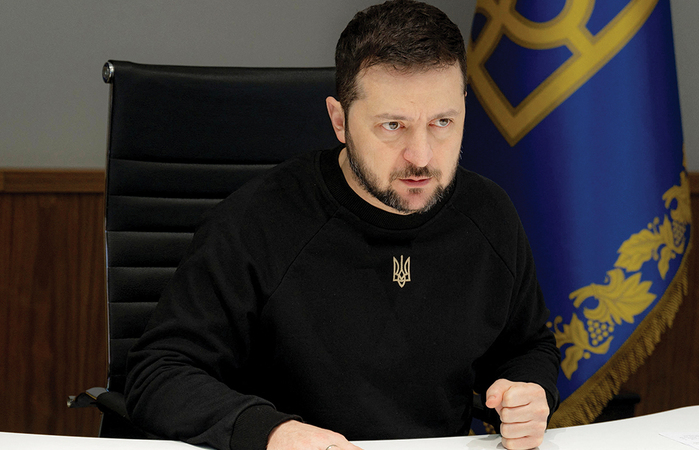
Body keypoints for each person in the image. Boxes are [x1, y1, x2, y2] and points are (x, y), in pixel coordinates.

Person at [124, 1, 560, 450]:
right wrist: (271, 433)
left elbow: (528, 348)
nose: (422, 156)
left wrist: (529, 392)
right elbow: (157, 373)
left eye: (442, 122)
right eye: (393, 125)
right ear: (339, 120)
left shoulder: (489, 214)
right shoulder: (257, 221)